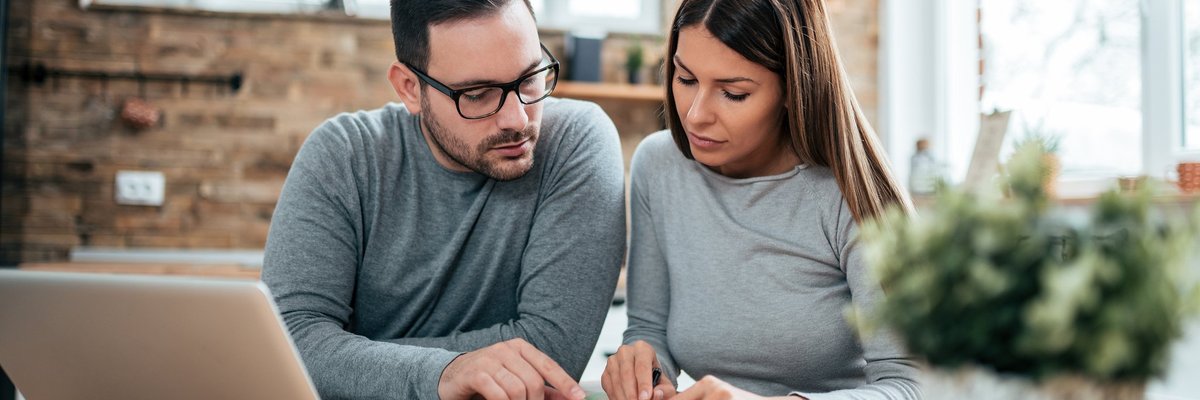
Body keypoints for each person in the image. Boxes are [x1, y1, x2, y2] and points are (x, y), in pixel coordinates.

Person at [261, 1, 627, 399]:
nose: (518, 120)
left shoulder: (576, 143)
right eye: (477, 94)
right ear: (410, 88)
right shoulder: (344, 157)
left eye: (530, 78)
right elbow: (287, 344)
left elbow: (550, 355)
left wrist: (350, 358)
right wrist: (443, 372)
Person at [601, 0, 921, 399]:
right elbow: (648, 329)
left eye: (733, 93)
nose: (696, 115)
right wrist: (645, 371)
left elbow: (911, 386)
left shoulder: (851, 195)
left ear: (792, 89)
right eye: (684, 79)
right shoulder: (659, 166)